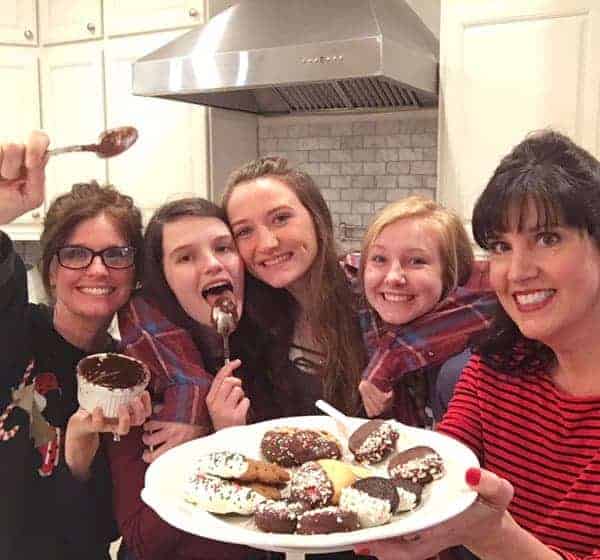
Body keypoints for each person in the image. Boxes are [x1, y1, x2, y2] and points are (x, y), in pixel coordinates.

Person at [355, 130, 600, 560]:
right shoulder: (495, 368)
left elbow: (483, 528)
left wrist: (494, 537)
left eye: (548, 238)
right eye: (501, 247)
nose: (518, 271)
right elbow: (439, 471)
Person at [0, 131, 151, 560]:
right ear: (50, 270)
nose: (98, 270)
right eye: (76, 254)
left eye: (116, 254)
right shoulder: (14, 330)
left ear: (135, 272)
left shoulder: (132, 378)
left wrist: (78, 455)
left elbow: (102, 528)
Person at [106, 198, 279, 560]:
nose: (213, 264)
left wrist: (233, 436)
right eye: (185, 257)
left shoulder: (267, 351)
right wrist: (212, 444)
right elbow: (142, 537)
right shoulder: (136, 374)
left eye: (223, 248)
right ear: (162, 281)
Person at [222, 156, 367, 416]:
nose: (267, 243)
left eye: (281, 218)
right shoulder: (252, 322)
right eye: (244, 232)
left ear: (316, 216)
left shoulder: (371, 292)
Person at [356, 195, 480, 426]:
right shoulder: (364, 323)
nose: (393, 277)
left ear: (451, 273)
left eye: (416, 261)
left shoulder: (463, 371)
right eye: (379, 258)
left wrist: (389, 362)